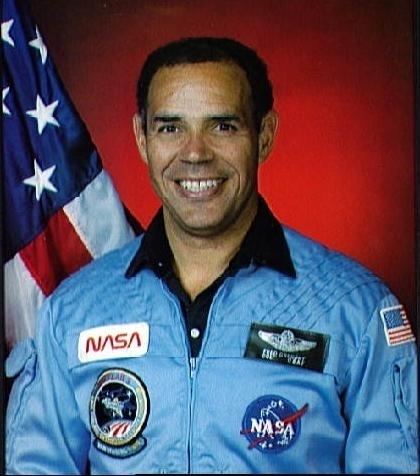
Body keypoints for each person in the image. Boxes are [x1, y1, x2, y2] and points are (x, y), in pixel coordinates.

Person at [5, 37, 418, 474]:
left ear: (264, 135)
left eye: (223, 126)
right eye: (170, 128)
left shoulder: (354, 310)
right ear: (142, 139)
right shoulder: (74, 311)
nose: (195, 153)